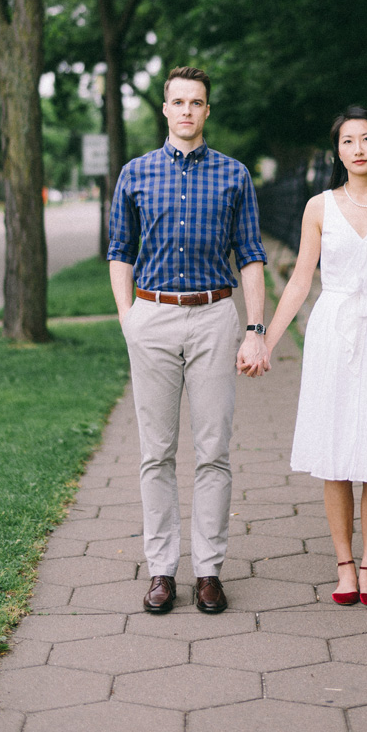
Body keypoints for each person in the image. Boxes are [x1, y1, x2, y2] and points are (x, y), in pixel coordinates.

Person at [108, 66, 269, 616]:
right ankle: (161, 571)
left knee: (213, 452)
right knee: (156, 452)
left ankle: (208, 572)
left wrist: (254, 330)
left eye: (195, 103)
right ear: (164, 108)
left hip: (213, 316)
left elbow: (250, 255)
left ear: (206, 111)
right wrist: (128, 316)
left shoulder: (233, 176)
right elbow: (119, 251)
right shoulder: (135, 173)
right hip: (151, 316)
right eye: (177, 101)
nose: (186, 111)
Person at [264, 105, 367, 606]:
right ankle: (343, 566)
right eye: (347, 141)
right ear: (338, 151)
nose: (357, 149)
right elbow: (299, 279)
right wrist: (266, 339)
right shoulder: (318, 207)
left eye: (366, 139)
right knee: (336, 454)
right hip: (333, 331)